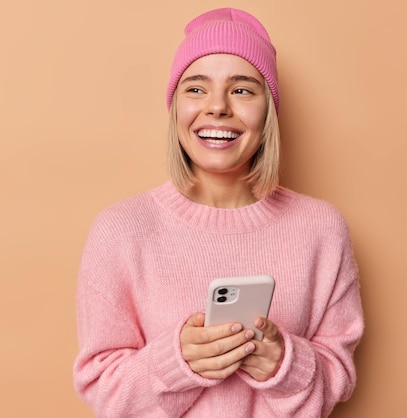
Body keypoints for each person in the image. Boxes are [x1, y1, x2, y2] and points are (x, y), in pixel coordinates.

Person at [73, 7, 364, 418]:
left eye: (242, 90)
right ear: (175, 108)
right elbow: (103, 389)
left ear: (269, 113)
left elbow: (339, 377)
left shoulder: (321, 228)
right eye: (196, 89)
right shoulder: (121, 230)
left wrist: (285, 364)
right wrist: (177, 364)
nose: (217, 108)